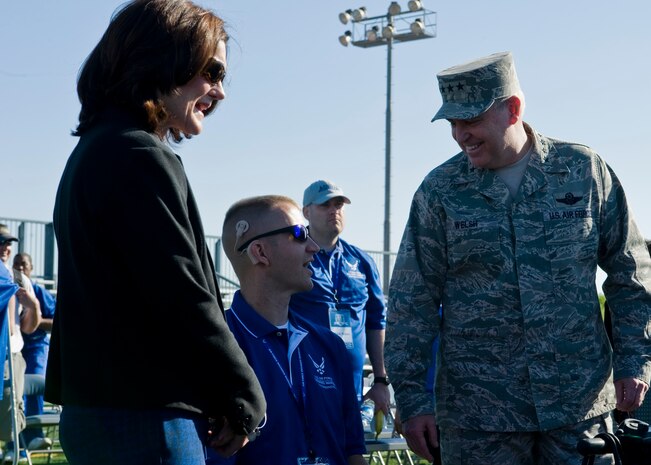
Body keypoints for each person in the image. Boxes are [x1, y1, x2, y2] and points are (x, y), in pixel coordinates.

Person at [385, 51, 651, 465]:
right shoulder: (439, 192)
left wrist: (635, 361)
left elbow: (631, 272)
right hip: (480, 419)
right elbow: (410, 302)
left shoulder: (582, 170)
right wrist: (413, 399)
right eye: (453, 123)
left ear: (513, 109)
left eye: (470, 120)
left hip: (577, 409)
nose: (460, 135)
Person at [45, 2, 266, 464]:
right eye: (211, 71)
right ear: (160, 59)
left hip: (99, 413)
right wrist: (244, 395)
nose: (220, 92)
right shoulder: (138, 155)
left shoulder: (94, 151)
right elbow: (182, 293)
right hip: (147, 419)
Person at [208, 194, 367, 464]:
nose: (313, 247)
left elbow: (353, 452)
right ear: (260, 252)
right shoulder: (216, 348)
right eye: (299, 233)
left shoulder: (329, 345)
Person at [289, 180, 391, 420]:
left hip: (351, 393)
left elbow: (376, 322)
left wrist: (380, 379)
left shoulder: (361, 260)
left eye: (339, 204)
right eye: (325, 205)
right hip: (303, 390)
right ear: (306, 212)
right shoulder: (293, 254)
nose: (334, 210)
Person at [0, 225, 41, 462]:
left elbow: (28, 327)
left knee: (9, 419)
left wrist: (33, 306)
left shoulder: (18, 278)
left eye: (8, 243)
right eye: (1, 242)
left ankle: (12, 449)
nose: (5, 247)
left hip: (10, 356)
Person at [12, 252, 56, 451]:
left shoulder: (37, 291)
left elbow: (56, 321)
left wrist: (33, 320)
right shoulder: (9, 289)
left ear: (31, 268)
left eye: (24, 264)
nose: (20, 268)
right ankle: (15, 442)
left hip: (36, 347)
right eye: (16, 264)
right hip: (15, 348)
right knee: (14, 392)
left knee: (33, 385)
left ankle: (34, 435)